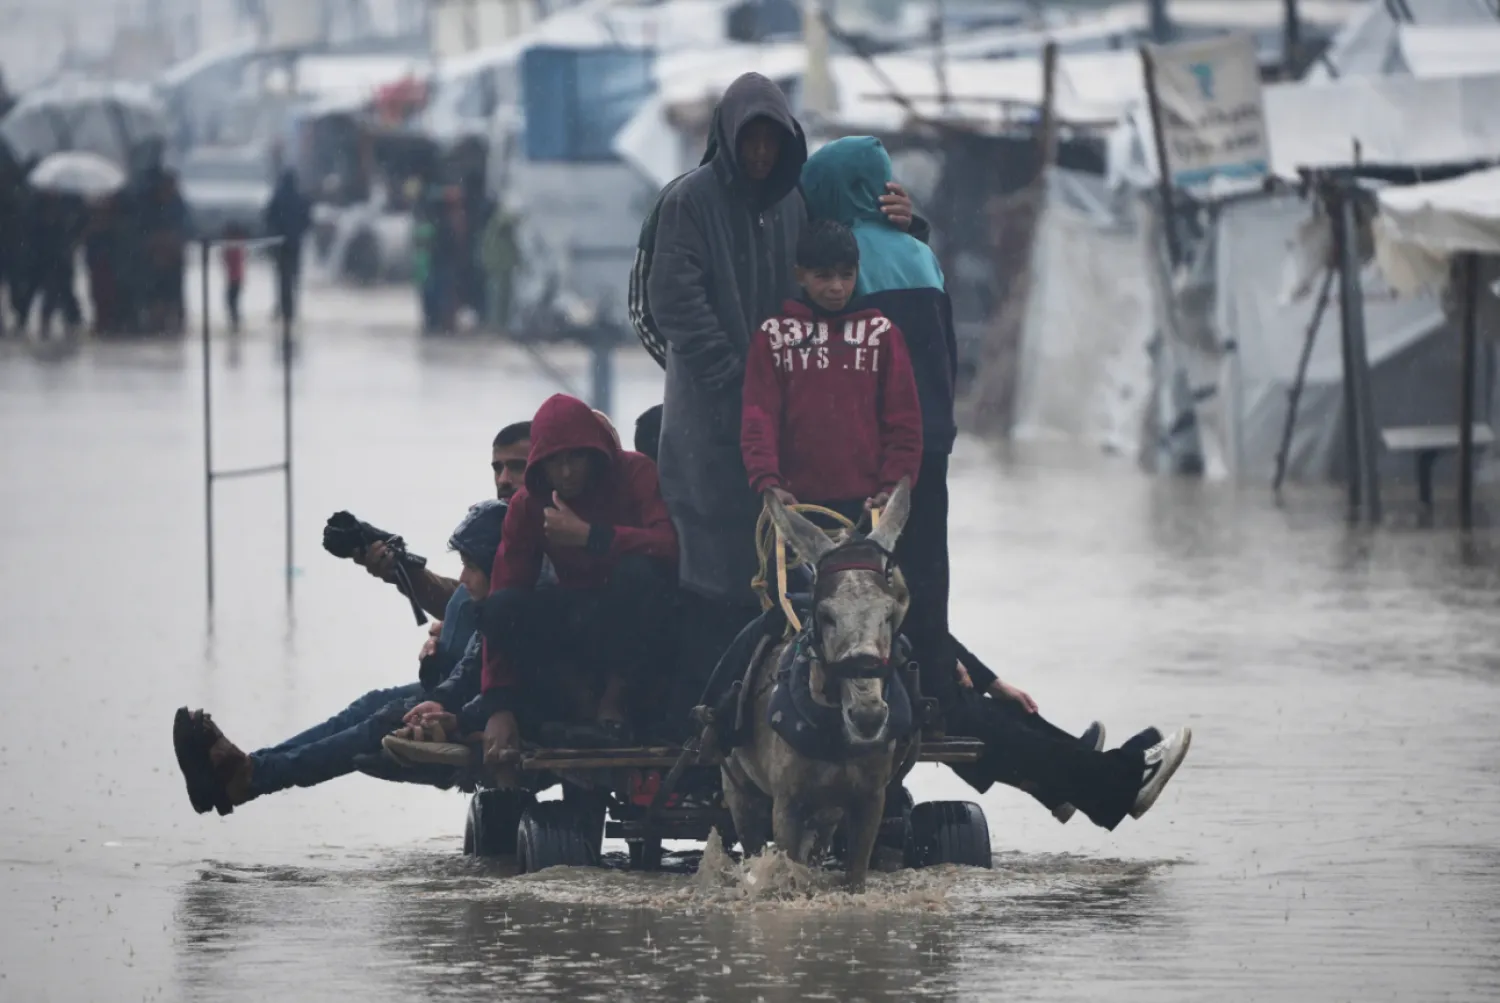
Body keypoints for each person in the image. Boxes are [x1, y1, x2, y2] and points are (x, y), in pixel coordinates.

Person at [647, 74, 921, 733]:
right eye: (753, 142)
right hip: (706, 434)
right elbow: (672, 302)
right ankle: (705, 733)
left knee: (791, 597)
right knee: (711, 588)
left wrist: (913, 224)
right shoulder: (689, 201)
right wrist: (743, 377)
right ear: (729, 140)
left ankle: (792, 727)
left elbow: (846, 252)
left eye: (774, 142)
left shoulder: (796, 205)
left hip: (785, 440)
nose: (762, 155)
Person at [171, 498, 509, 815]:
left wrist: (458, 713)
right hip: (457, 684)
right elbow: (474, 628)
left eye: (517, 467)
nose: (506, 479)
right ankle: (252, 769)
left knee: (382, 720)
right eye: (498, 468)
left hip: (478, 697)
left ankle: (251, 776)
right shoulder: (503, 543)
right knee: (370, 705)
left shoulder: (532, 568)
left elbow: (501, 655)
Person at [476, 394, 679, 778]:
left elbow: (669, 546)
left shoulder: (635, 473)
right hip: (577, 617)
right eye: (555, 462)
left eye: (576, 458)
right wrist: (498, 707)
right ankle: (583, 703)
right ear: (541, 465)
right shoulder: (527, 505)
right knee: (501, 610)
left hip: (638, 621)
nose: (566, 473)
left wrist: (594, 537)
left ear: (597, 456)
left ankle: (614, 702)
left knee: (638, 574)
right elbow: (505, 590)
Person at [741, 218, 921, 525]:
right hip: (793, 505)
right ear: (800, 275)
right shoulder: (773, 336)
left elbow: (904, 421)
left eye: (846, 275)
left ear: (858, 273)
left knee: (867, 576)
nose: (836, 287)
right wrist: (768, 482)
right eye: (823, 276)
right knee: (787, 575)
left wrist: (892, 487)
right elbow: (759, 418)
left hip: (868, 507)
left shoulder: (882, 334)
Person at [264, 169, 311, 326]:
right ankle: (290, 309)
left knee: (282, 278)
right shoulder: (300, 198)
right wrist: (297, 233)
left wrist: (277, 233)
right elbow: (307, 220)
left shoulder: (279, 197)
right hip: (294, 244)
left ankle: (284, 307)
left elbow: (268, 218)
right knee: (293, 277)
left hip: (281, 244)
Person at [222, 222, 247, 333]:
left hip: (235, 278)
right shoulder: (238, 245)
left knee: (231, 302)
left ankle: (235, 324)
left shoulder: (235, 246)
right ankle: (235, 323)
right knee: (232, 302)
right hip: (235, 278)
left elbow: (227, 259)